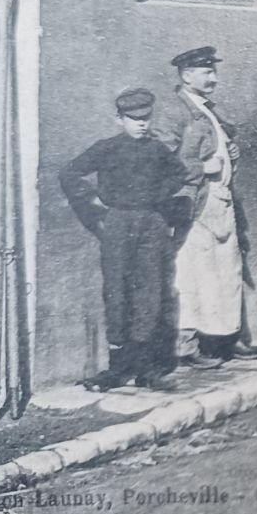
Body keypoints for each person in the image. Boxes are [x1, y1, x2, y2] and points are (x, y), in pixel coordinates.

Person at [59, 88, 189, 391]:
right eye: (134, 119)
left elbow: (179, 174)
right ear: (119, 119)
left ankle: (145, 368)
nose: (141, 124)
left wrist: (157, 197)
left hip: (151, 222)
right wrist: (94, 211)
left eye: (146, 118)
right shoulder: (106, 148)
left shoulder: (157, 150)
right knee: (116, 291)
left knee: (150, 292)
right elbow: (70, 174)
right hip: (116, 223)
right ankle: (118, 368)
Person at [150, 47, 257, 369]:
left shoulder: (208, 109)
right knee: (193, 275)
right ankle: (187, 347)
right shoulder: (174, 112)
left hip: (222, 200)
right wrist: (203, 167)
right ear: (187, 75)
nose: (213, 77)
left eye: (213, 71)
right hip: (195, 203)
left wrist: (231, 155)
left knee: (227, 271)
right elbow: (161, 163)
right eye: (206, 72)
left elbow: (217, 150)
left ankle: (226, 341)